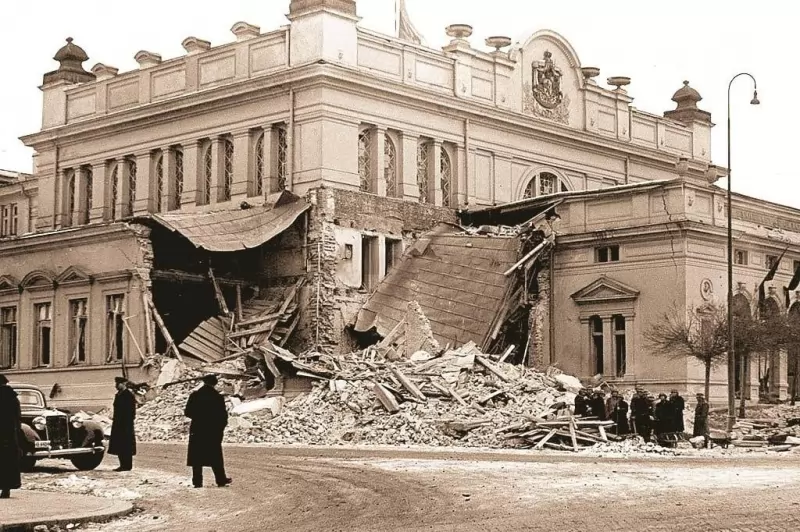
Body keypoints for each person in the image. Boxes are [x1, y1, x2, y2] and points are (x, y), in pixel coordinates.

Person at [185, 375, 232, 488]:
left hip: (198, 429)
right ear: (214, 384)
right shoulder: (217, 397)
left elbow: (187, 412)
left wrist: (198, 417)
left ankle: (197, 481)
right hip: (213, 430)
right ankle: (220, 479)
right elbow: (223, 416)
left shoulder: (195, 396)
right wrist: (220, 428)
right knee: (215, 455)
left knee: (197, 456)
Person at [0, 374, 22, 499]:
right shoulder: (13, 397)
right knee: (8, 462)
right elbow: (18, 416)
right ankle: (6, 489)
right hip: (10, 435)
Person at [109, 376, 137, 472]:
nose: (116, 386)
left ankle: (127, 466)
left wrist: (128, 422)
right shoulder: (118, 395)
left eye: (118, 384)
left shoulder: (128, 395)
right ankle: (122, 465)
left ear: (123, 384)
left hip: (126, 424)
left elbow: (132, 411)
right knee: (120, 445)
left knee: (127, 445)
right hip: (118, 424)